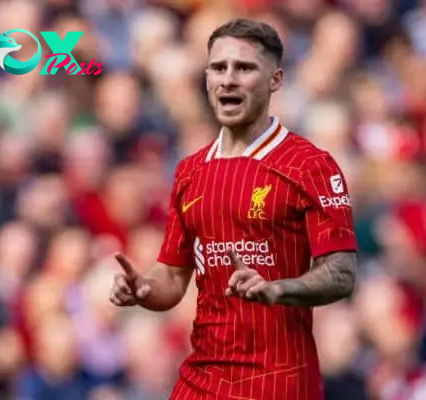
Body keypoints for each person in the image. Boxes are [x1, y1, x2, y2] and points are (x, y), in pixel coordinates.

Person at [109, 18, 358, 400]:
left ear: (275, 80)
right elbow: (173, 278)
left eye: (243, 68)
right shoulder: (191, 170)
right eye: (218, 67)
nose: (228, 79)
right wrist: (144, 289)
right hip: (203, 378)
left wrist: (278, 289)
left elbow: (341, 273)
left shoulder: (310, 165)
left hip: (279, 381)